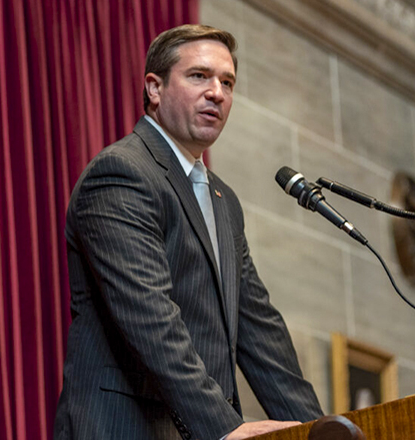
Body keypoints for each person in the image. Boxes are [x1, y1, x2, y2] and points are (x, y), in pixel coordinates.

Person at [54, 24, 323, 440]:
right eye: (199, 76)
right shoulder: (121, 173)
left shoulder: (223, 200)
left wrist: (321, 431)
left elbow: (259, 330)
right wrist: (223, 429)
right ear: (154, 88)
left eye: (228, 82)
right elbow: (150, 318)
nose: (217, 92)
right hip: (122, 427)